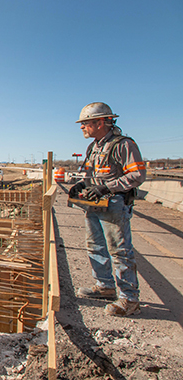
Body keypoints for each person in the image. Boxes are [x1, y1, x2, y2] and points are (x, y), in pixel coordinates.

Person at [69, 102, 146, 316]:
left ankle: (129, 299)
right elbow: (91, 174)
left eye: (86, 124)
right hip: (95, 204)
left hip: (114, 204)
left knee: (120, 251)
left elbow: (137, 176)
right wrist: (82, 184)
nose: (82, 128)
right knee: (95, 246)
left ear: (101, 122)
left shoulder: (123, 145)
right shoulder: (94, 146)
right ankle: (105, 286)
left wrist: (106, 188)